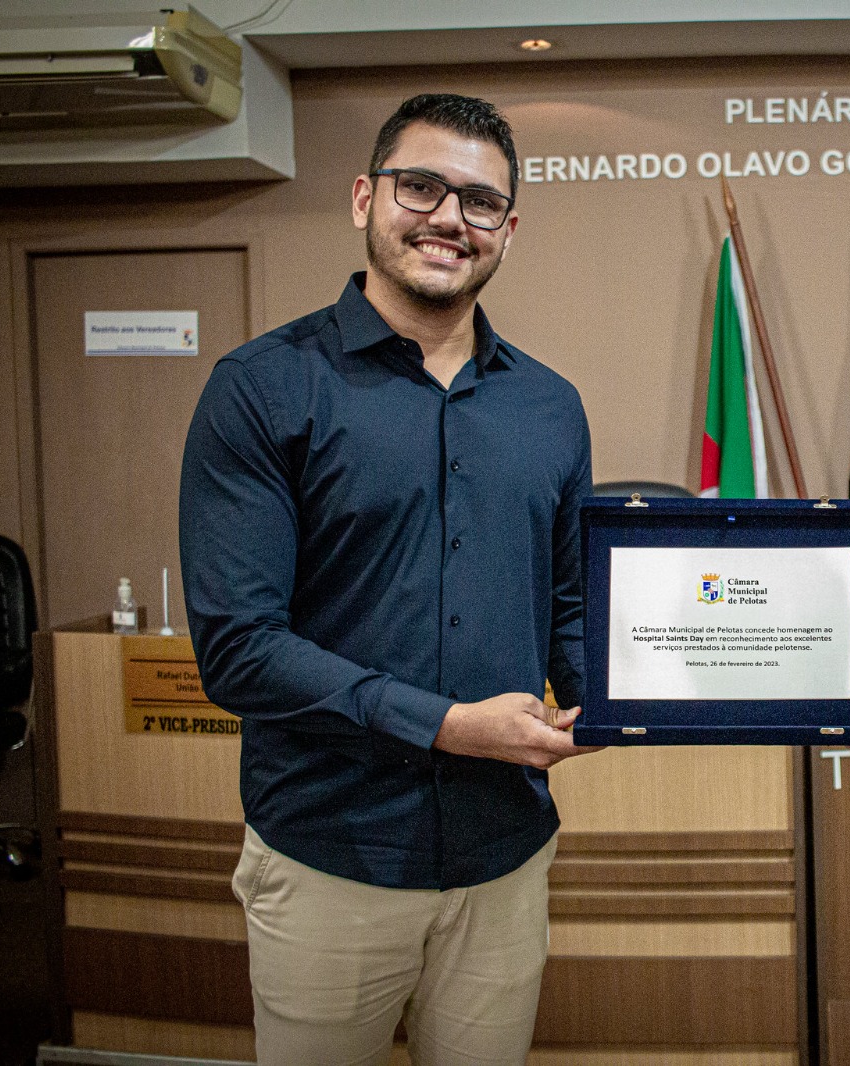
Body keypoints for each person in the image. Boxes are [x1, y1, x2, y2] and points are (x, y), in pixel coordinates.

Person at [179, 93, 600, 1065]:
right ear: (366, 196)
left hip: (505, 853)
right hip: (331, 856)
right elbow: (239, 650)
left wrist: (626, 696)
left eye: (481, 201)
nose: (450, 217)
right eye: (422, 186)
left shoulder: (549, 406)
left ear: (508, 227)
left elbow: (571, 608)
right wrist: (449, 728)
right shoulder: (263, 387)